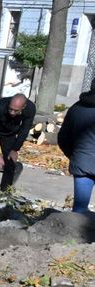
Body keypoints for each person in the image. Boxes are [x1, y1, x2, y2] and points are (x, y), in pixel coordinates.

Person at [58, 85, 95, 213]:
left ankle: (75, 233)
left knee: (79, 209)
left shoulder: (76, 107)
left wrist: (74, 155)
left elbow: (63, 137)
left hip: (81, 163)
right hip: (82, 160)